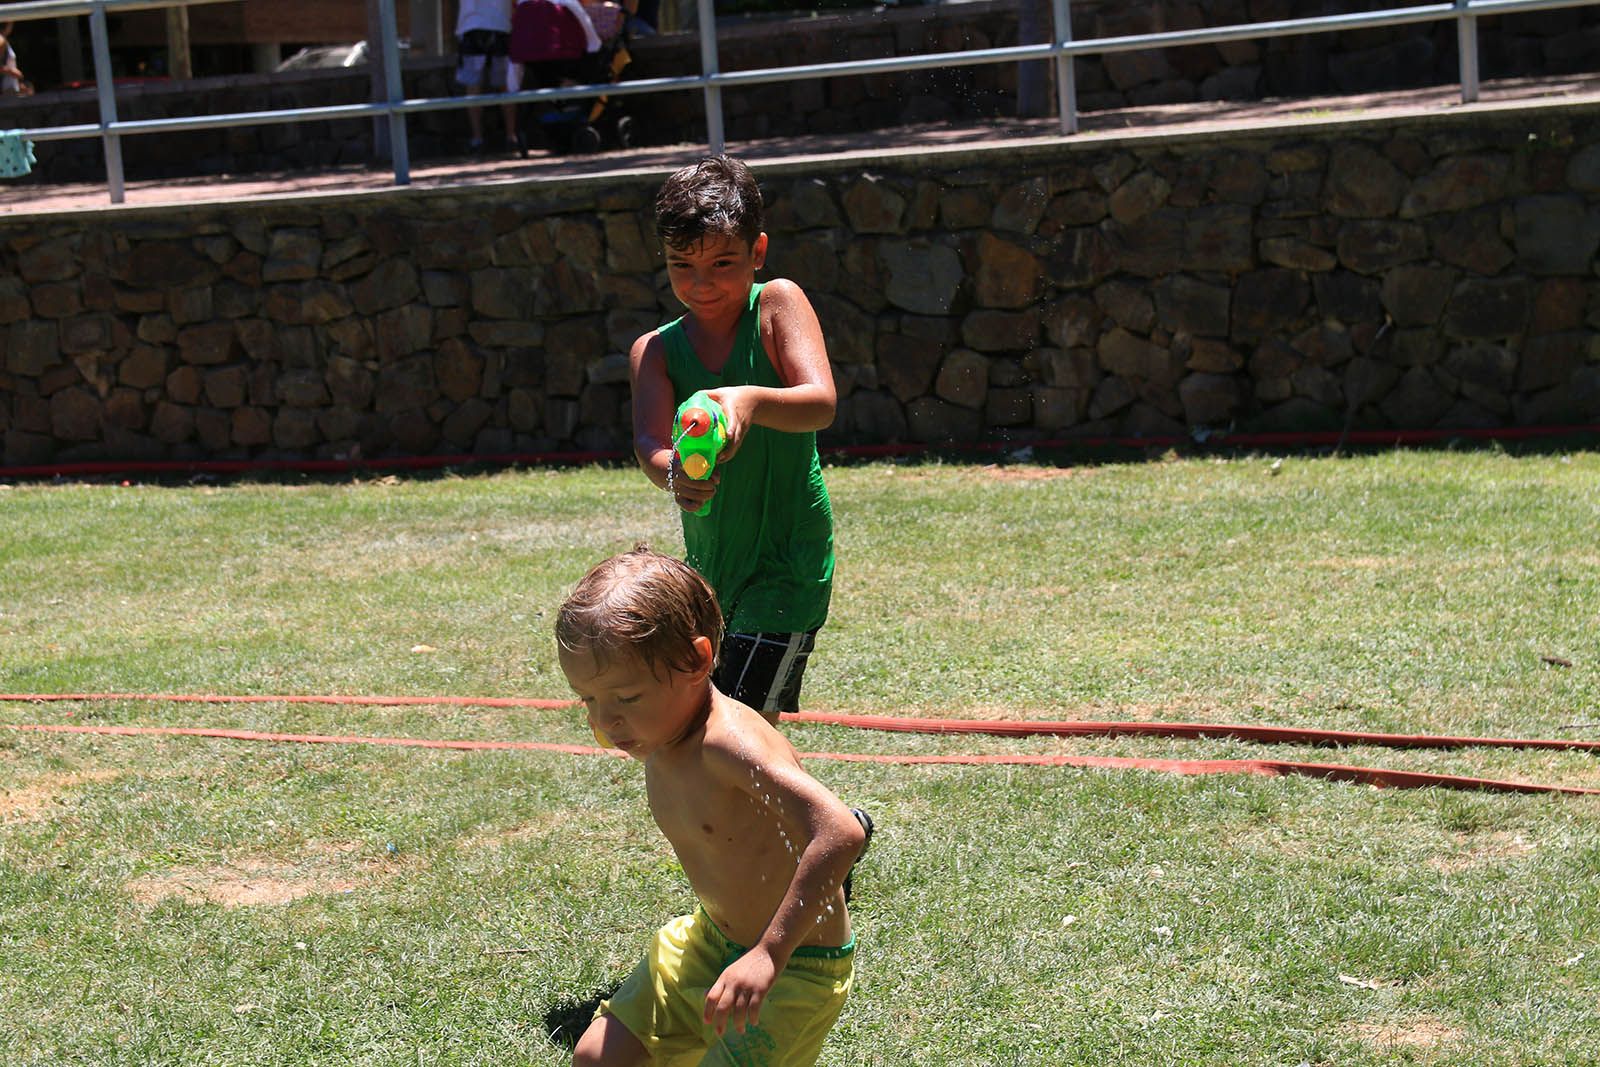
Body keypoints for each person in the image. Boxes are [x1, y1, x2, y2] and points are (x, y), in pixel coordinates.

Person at [557, 546, 865, 1067]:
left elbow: (840, 830)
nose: (607, 721)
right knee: (597, 1057)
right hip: (706, 941)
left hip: (794, 967)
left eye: (626, 699)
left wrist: (768, 955)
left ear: (698, 661)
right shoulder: (664, 733)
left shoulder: (726, 745)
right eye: (588, 700)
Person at [628, 155, 838, 722]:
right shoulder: (656, 350)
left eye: (723, 262)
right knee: (721, 725)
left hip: (787, 562)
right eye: (682, 265)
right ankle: (802, 814)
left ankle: (826, 818)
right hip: (711, 570)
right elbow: (650, 442)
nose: (702, 284)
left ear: (758, 252)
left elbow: (819, 402)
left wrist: (748, 400)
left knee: (740, 723)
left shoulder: (776, 305)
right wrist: (674, 470)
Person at [453, 0, 521, 153]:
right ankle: (511, 136)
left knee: (473, 85)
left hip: (472, 27)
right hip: (500, 26)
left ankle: (478, 139)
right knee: (505, 84)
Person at [1, 21, 29, 97]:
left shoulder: (3, 40)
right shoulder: (1, 40)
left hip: (9, 88)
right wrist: (11, 71)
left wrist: (18, 83)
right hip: (4, 89)